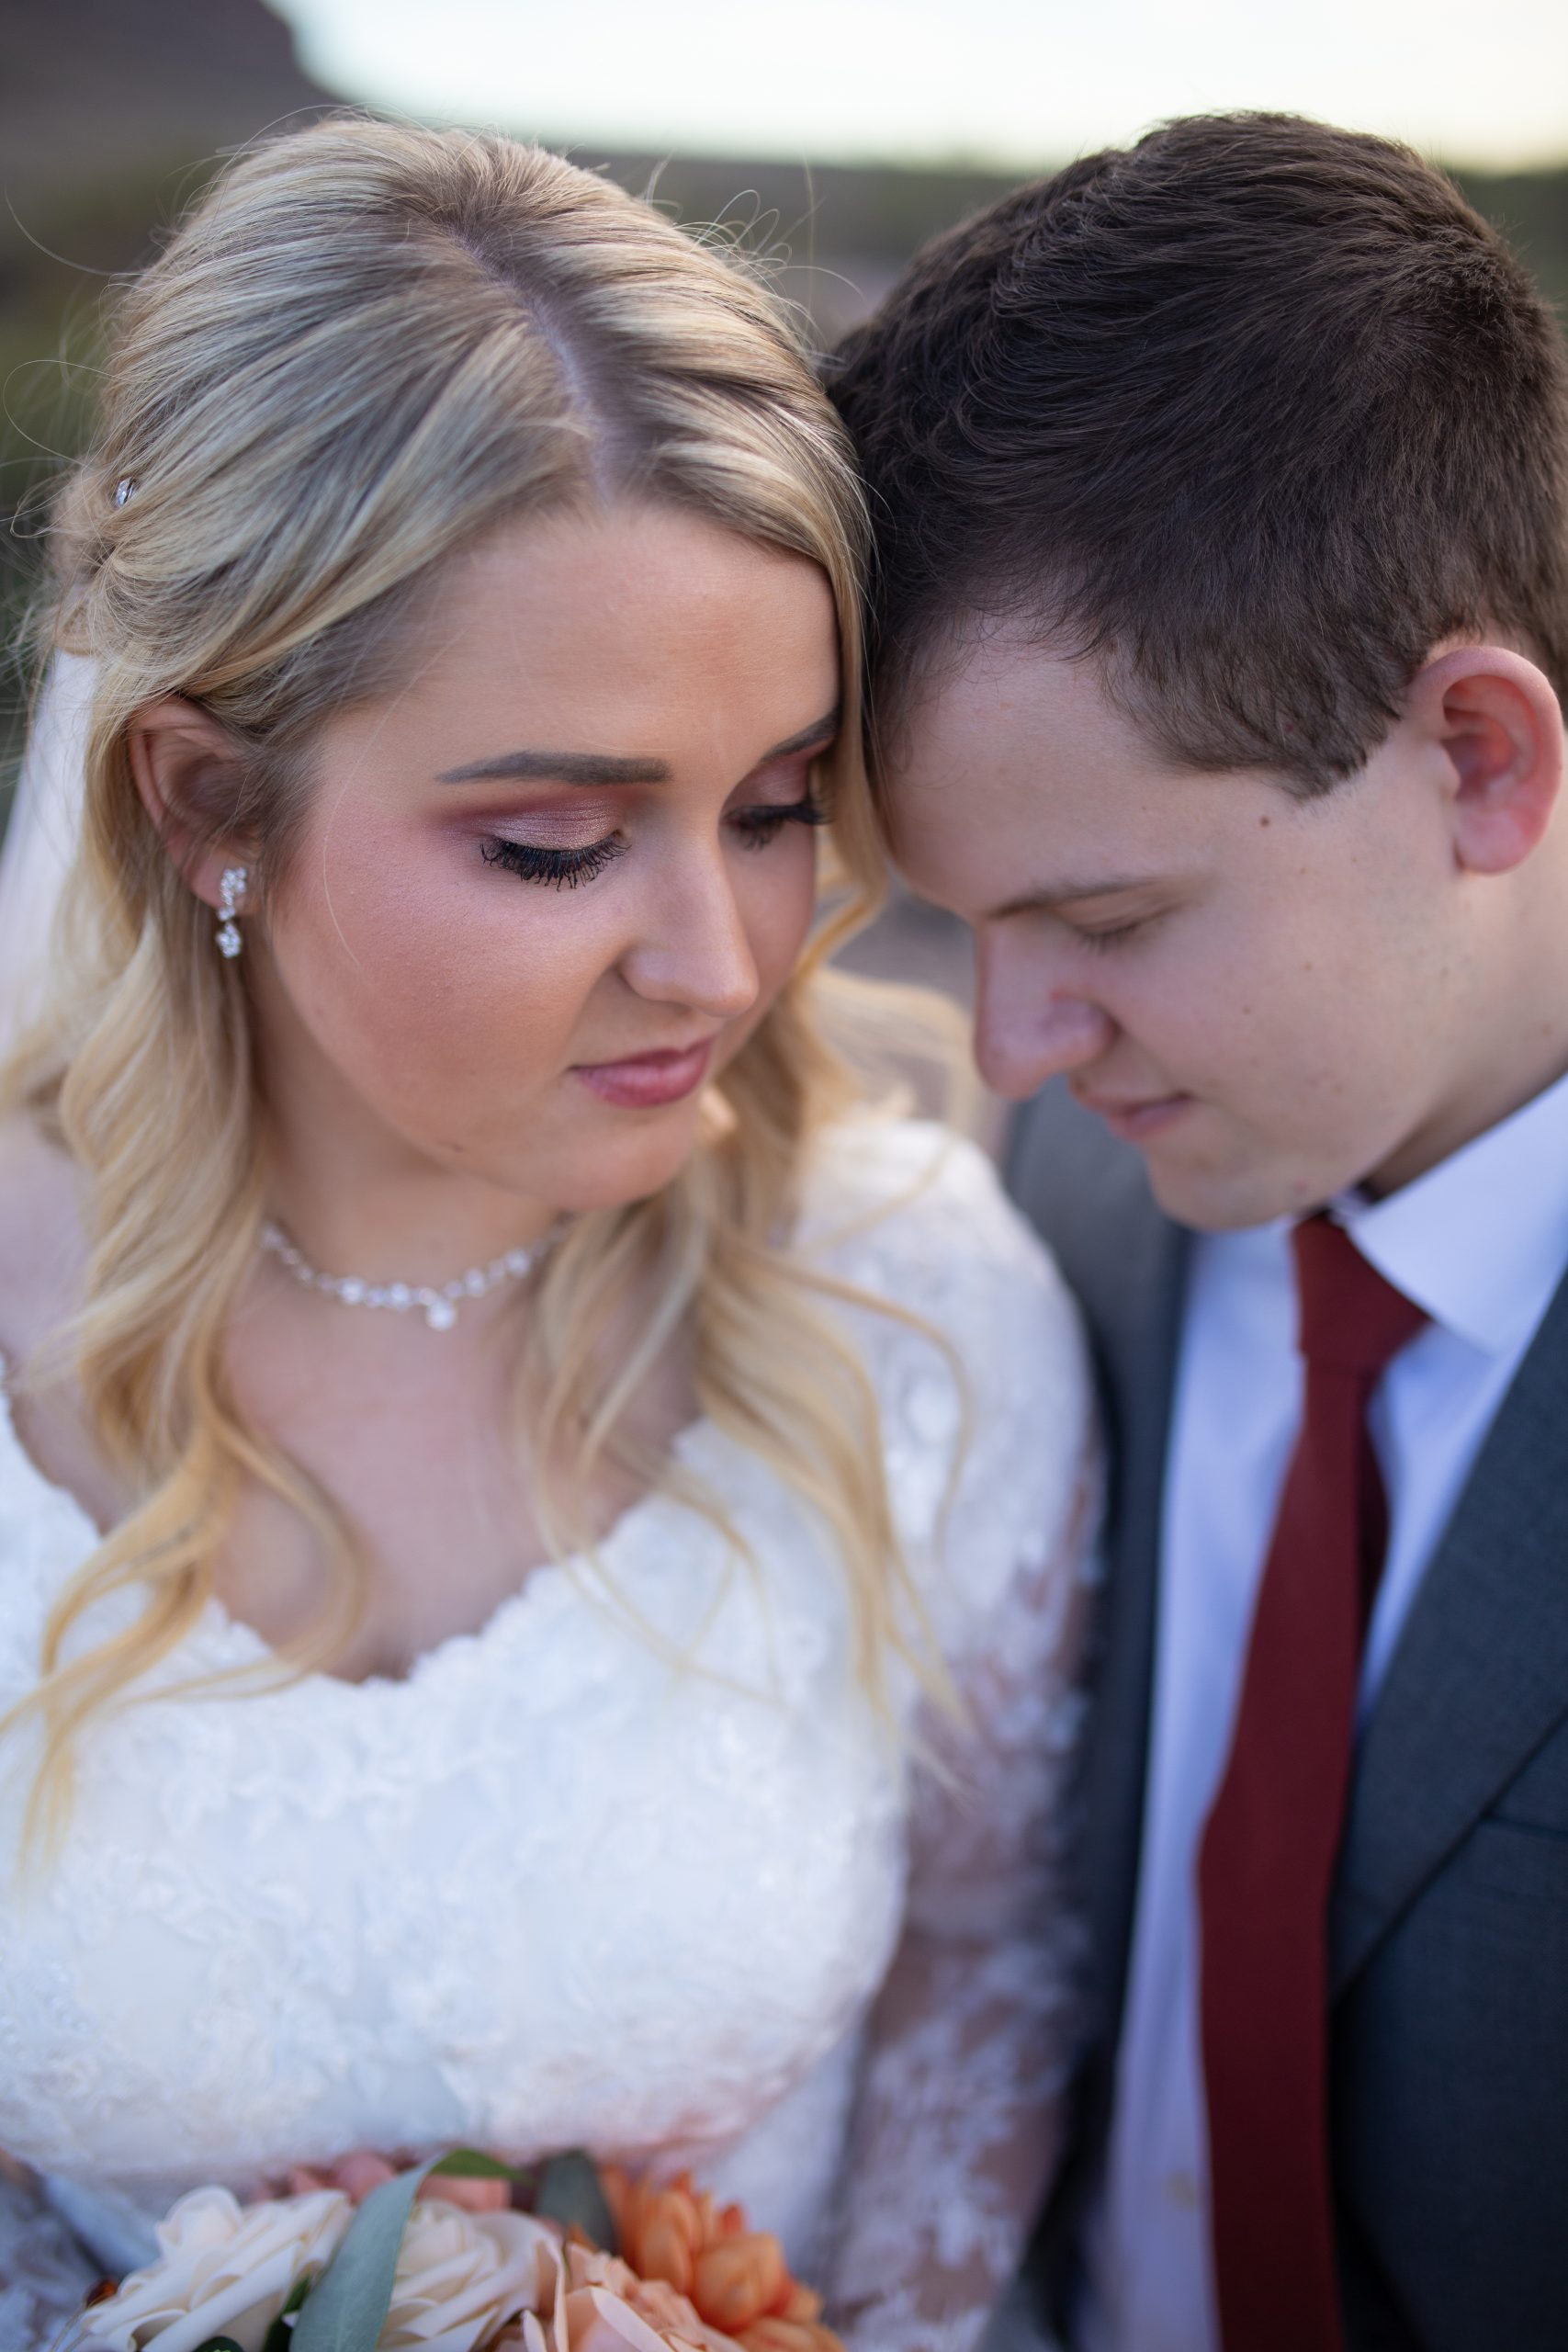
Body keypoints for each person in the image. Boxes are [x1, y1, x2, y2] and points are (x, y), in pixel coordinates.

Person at [0, 117, 1099, 2351]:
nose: (721, 957)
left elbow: (989, 1959)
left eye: (774, 805)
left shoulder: (907, 1296)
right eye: (556, 842)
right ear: (204, 802)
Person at [830, 112, 1568, 2352]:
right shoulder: (1063, 1208)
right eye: (963, 922)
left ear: (1476, 758)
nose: (1011, 1042)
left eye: (1109, 918)